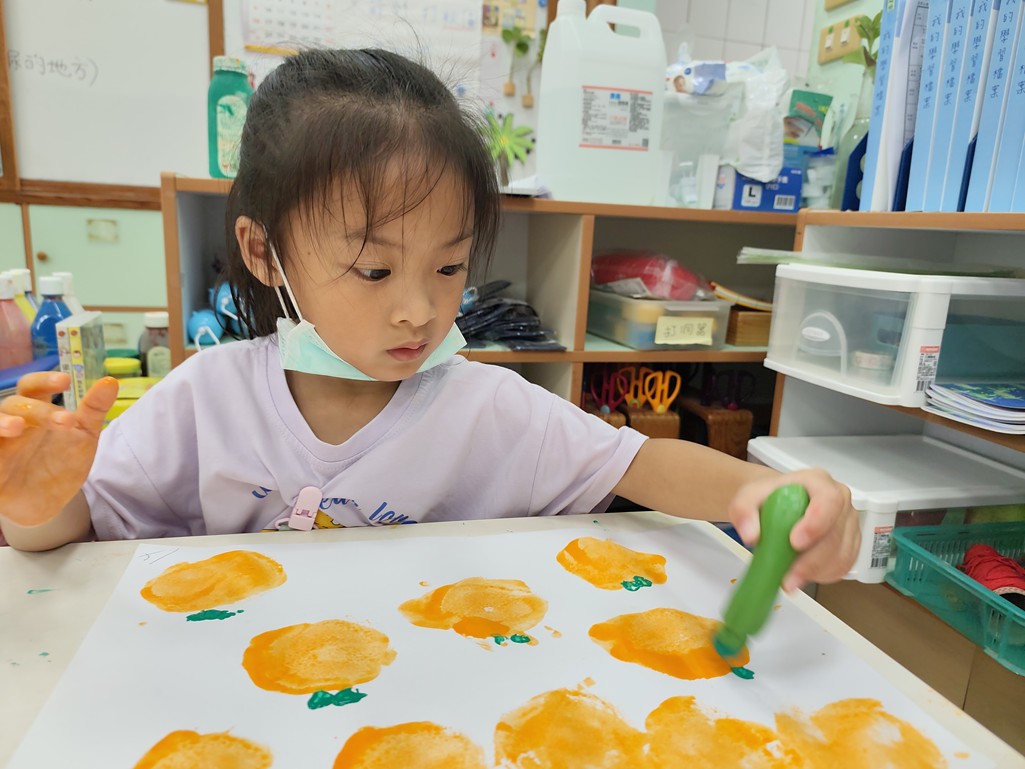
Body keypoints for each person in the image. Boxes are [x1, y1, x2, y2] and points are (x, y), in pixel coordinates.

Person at [0, 48, 859, 592]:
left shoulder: (486, 407)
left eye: (449, 267)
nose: (419, 307)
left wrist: (759, 491)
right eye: (373, 269)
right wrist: (34, 506)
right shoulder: (204, 398)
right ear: (263, 254)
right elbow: (75, 531)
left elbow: (642, 463)